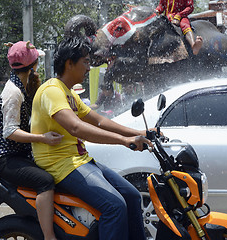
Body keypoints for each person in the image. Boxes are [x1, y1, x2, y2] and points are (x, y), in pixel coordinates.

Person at [31, 36, 152, 240]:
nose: (89, 68)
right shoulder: (52, 91)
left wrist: (141, 133)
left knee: (131, 196)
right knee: (114, 206)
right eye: (85, 62)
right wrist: (124, 141)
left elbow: (99, 121)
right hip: (60, 164)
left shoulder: (70, 94)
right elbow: (77, 127)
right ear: (70, 63)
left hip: (79, 160)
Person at [0, 40, 63, 240]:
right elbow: (10, 131)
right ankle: (49, 236)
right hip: (7, 158)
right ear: (33, 66)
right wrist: (43, 138)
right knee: (45, 181)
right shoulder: (13, 92)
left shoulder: (22, 86)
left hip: (19, 154)